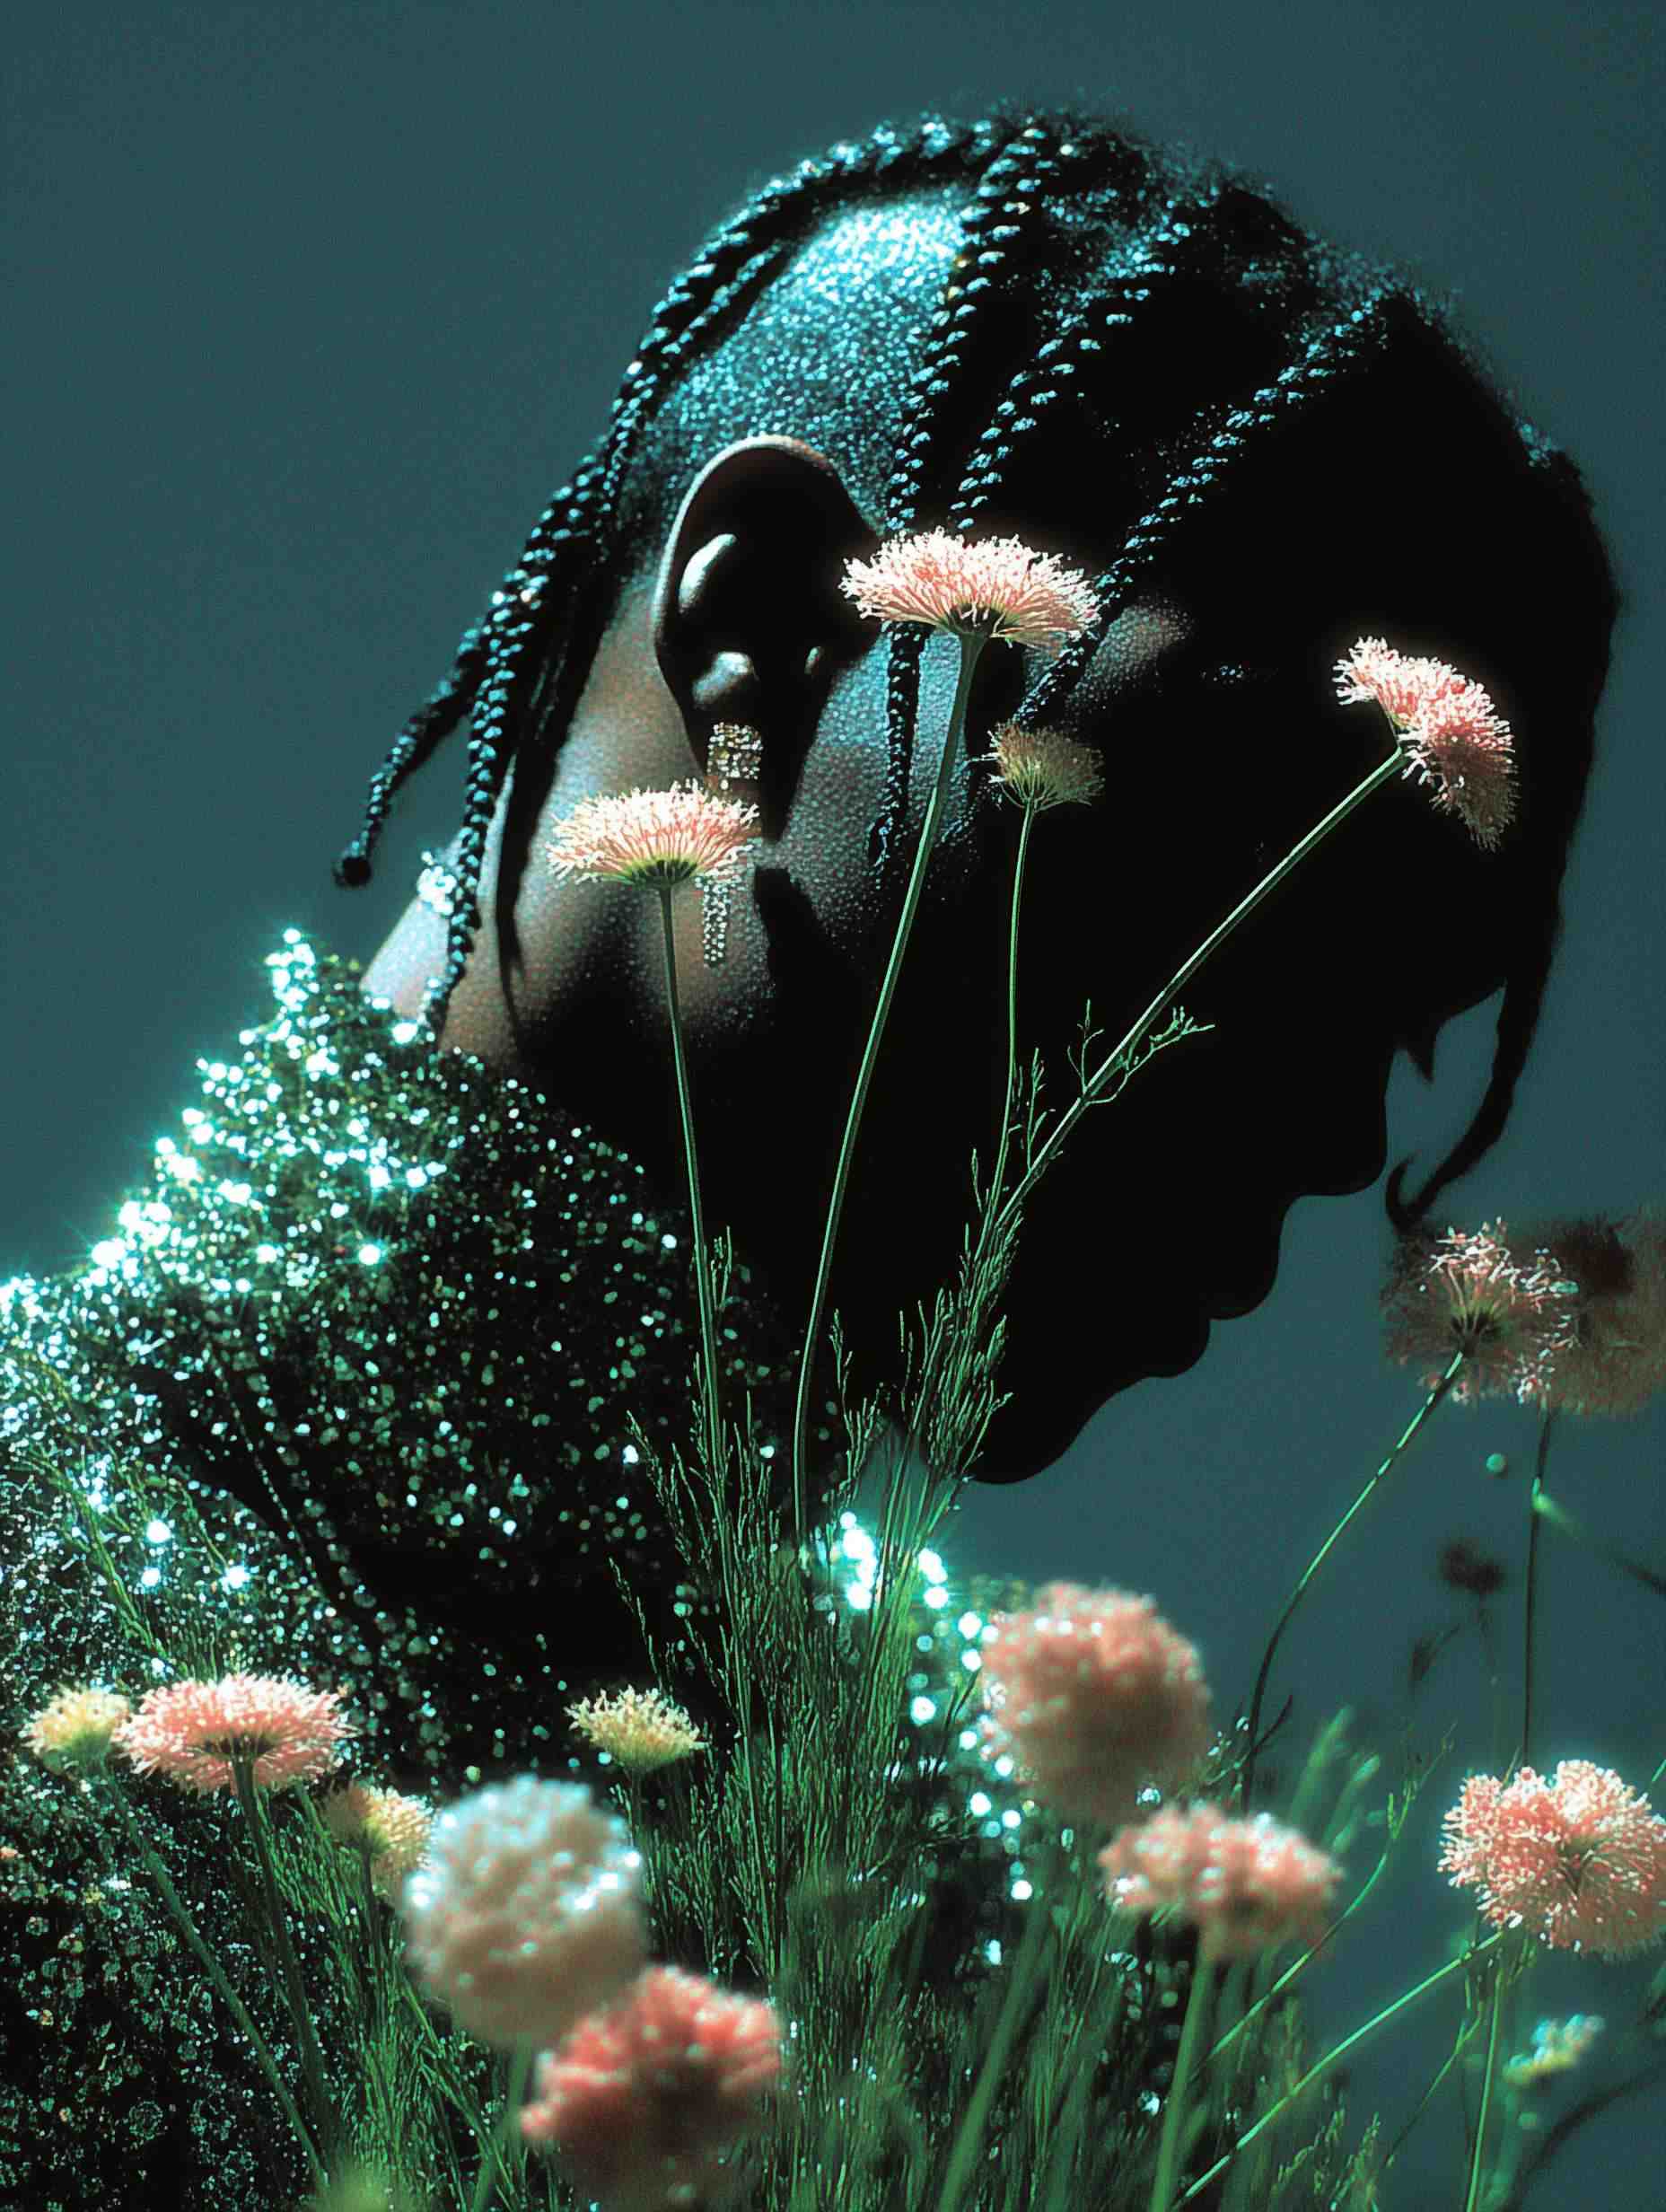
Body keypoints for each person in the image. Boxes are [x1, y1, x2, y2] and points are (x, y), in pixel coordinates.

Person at [0, 100, 1620, 2211]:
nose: (1329, 1134)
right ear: (766, 626)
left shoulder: (1072, 1922)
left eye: (1398, 1026)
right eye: (1247, 871)